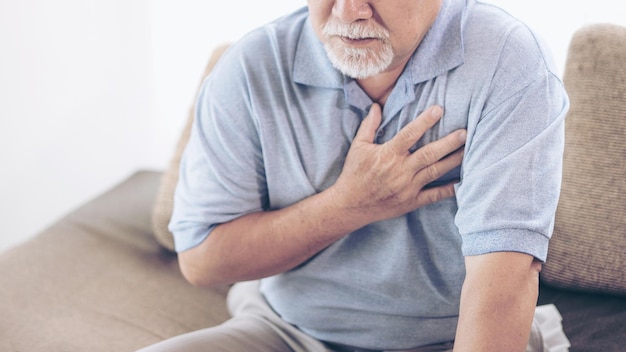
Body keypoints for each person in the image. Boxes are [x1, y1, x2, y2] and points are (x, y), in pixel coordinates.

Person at [141, 0, 569, 351]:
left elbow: (505, 278)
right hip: (288, 331)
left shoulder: (507, 58)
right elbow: (201, 259)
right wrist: (349, 204)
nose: (348, 11)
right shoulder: (251, 67)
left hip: (445, 339)